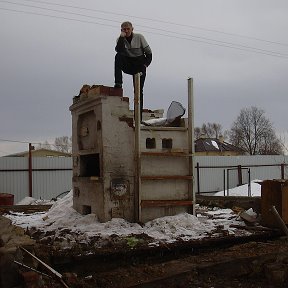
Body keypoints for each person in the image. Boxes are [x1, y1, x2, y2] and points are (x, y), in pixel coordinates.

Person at [114, 21, 152, 120]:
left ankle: (138, 118)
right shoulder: (120, 39)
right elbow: (119, 50)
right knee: (118, 56)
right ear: (121, 30)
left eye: (128, 29)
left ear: (132, 29)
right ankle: (118, 83)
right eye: (124, 29)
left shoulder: (139, 37)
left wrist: (145, 65)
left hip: (139, 65)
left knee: (138, 91)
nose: (126, 31)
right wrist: (122, 37)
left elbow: (149, 53)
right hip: (128, 64)